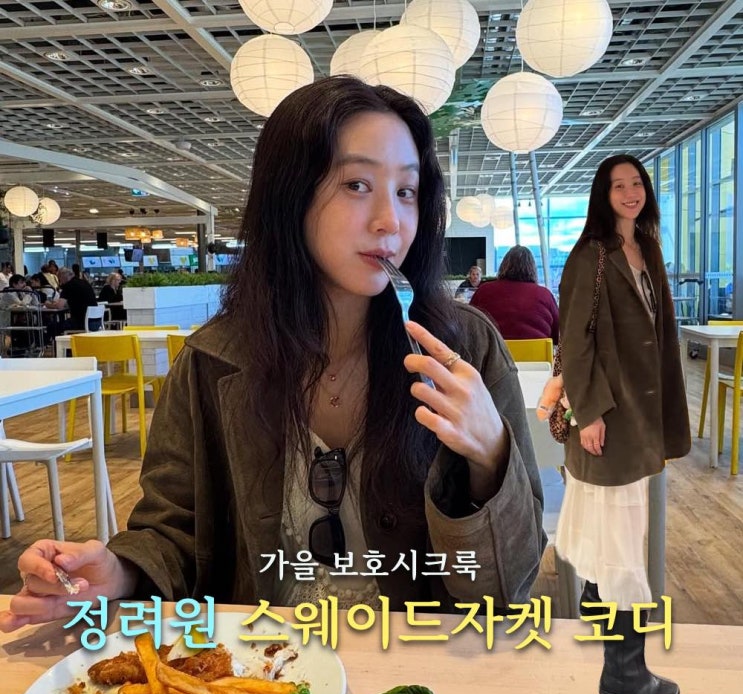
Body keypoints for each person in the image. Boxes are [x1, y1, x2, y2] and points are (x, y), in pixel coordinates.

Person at [0, 76, 546, 633]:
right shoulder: (214, 360)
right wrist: (116, 572)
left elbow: (510, 584)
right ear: (290, 196)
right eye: (357, 184)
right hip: (264, 664)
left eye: (407, 191)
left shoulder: (465, 349)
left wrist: (490, 456)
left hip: (418, 665)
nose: (391, 220)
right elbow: (173, 532)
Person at [554, 154, 690, 694]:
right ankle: (624, 672)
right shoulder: (592, 255)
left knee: (615, 528)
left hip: (641, 412)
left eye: (637, 183)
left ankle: (597, 604)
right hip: (610, 416)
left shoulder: (646, 248)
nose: (631, 192)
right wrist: (588, 412)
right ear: (602, 195)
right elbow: (574, 339)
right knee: (624, 538)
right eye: (618, 186)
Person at [470, 245, 559, 345]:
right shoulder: (545, 295)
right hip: (537, 354)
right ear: (532, 269)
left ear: (503, 266)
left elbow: (468, 326)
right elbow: (557, 335)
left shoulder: (484, 291)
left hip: (492, 353)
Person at [45, 266, 99, 330]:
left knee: (52, 327)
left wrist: (47, 304)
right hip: (96, 321)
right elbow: (77, 301)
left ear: (62, 277)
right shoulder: (85, 282)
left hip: (82, 322)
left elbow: (59, 306)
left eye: (59, 279)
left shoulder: (68, 286)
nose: (60, 282)